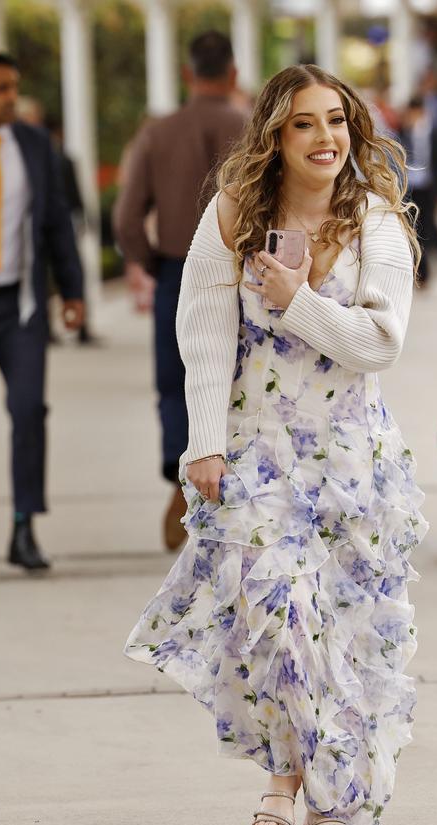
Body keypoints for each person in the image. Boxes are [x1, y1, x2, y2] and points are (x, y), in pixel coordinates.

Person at [124, 64, 427, 825]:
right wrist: (204, 442)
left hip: (349, 460)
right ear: (275, 135)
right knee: (280, 617)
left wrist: (300, 300)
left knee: (343, 627)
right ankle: (290, 779)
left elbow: (379, 345)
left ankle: (319, 791)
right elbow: (203, 328)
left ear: (352, 130)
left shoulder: (377, 225)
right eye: (303, 123)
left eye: (335, 120)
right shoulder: (235, 213)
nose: (323, 137)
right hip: (258, 450)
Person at [114, 31, 246, 553]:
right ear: (233, 74)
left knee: (176, 380)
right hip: (243, 267)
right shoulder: (250, 126)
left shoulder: (158, 132)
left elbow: (126, 218)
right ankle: (231, 484)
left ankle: (180, 475)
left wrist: (153, 263)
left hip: (176, 267)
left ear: (189, 74)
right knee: (236, 375)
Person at [0, 53, 84, 573]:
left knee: (28, 413)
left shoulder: (35, 145)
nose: (10, 97)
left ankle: (23, 528)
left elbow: (57, 222)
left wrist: (74, 291)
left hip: (20, 306)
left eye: (14, 87)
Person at [399, 94, 437, 285]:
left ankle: (436, 260)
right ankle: (423, 271)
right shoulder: (405, 131)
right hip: (411, 186)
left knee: (428, 225)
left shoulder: (433, 132)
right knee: (414, 226)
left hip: (429, 186)